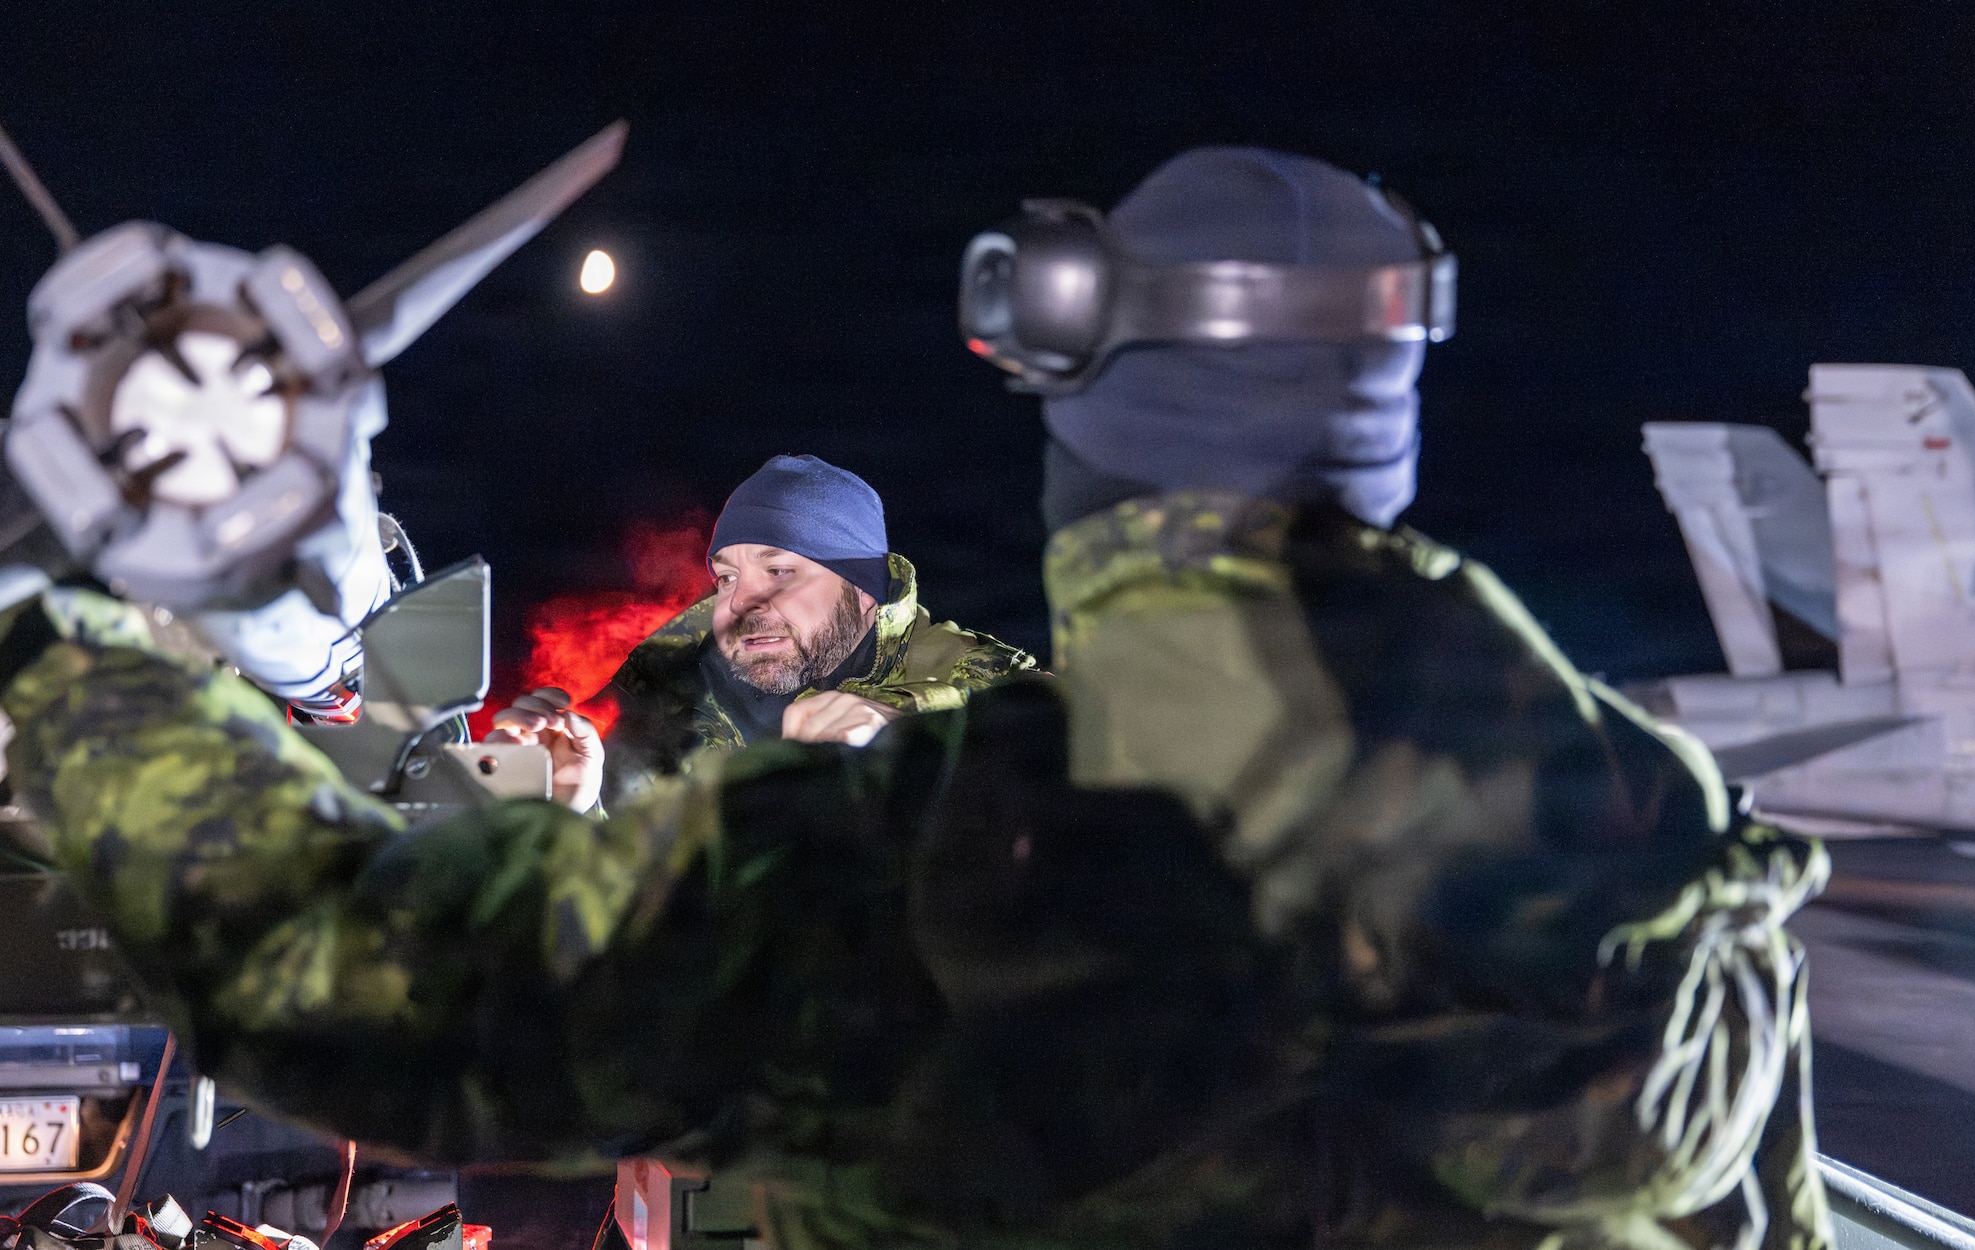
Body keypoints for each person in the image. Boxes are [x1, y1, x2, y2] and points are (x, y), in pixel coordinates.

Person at [0, 148, 1829, 1250]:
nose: (737, 610)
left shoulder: (956, 848)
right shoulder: (1673, 831)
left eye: (779, 573)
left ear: (1078, 410)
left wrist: (77, 652)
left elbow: (333, 972)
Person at [486, 453, 1036, 811]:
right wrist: (573, 804)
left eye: (779, 571)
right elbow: (619, 912)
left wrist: (905, 729)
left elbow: (1060, 729)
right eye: (727, 578)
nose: (744, 602)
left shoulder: (958, 670)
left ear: (863, 592)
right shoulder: (668, 696)